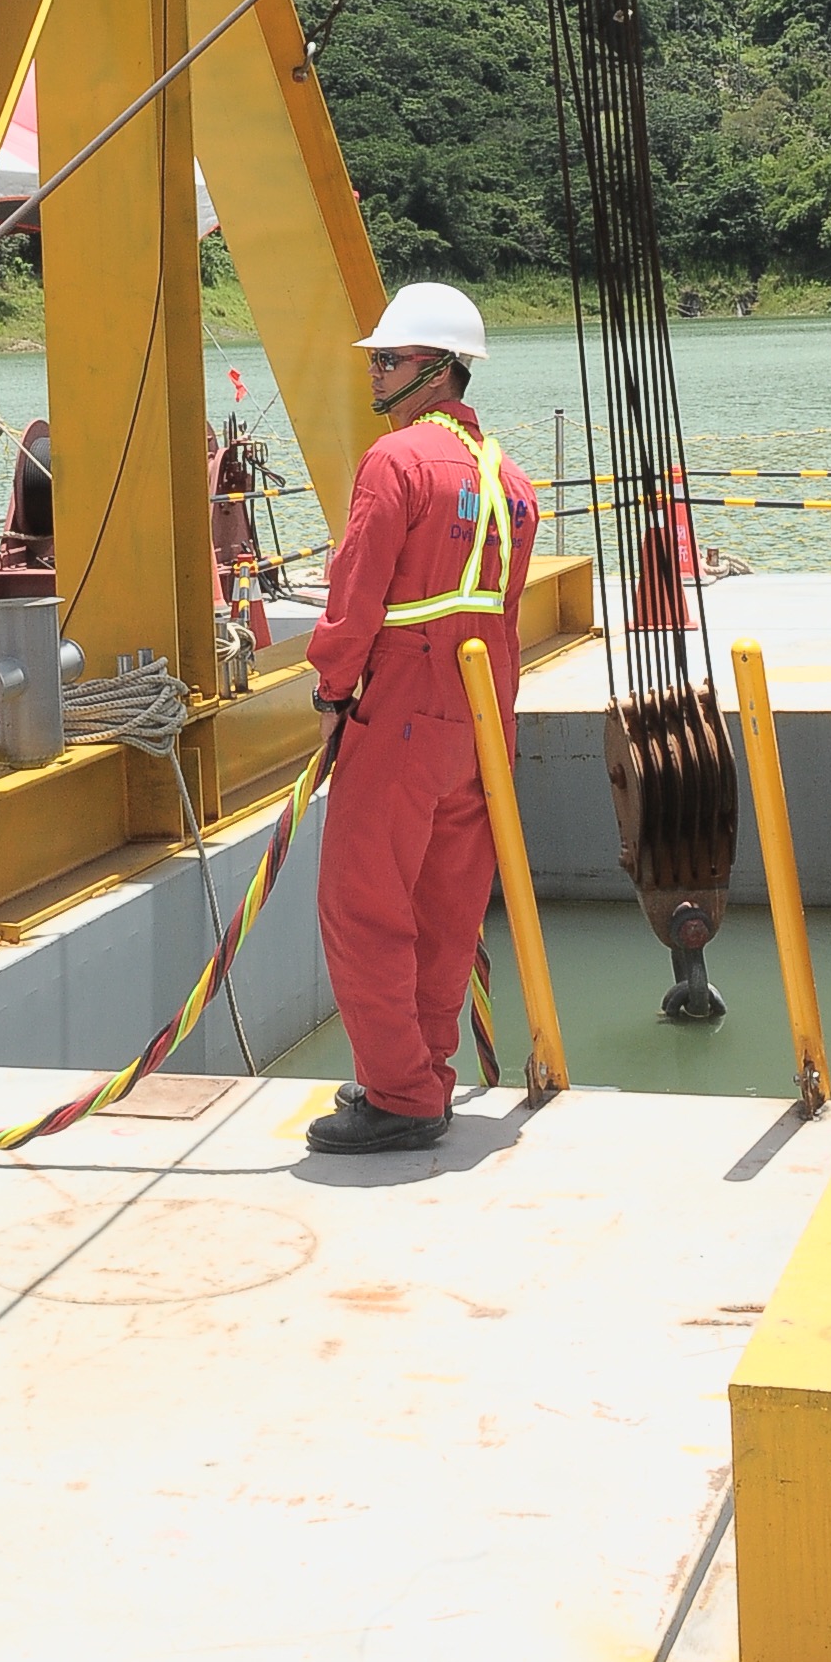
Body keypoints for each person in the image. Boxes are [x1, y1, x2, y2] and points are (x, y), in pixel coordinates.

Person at [305, 282, 536, 1153]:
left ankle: (400, 1093)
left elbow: (356, 595)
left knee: (363, 904)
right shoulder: (511, 483)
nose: (376, 370)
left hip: (399, 709)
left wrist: (333, 692)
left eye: (390, 359)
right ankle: (426, 1075)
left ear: (439, 371)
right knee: (446, 911)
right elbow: (501, 622)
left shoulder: (395, 464)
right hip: (478, 722)